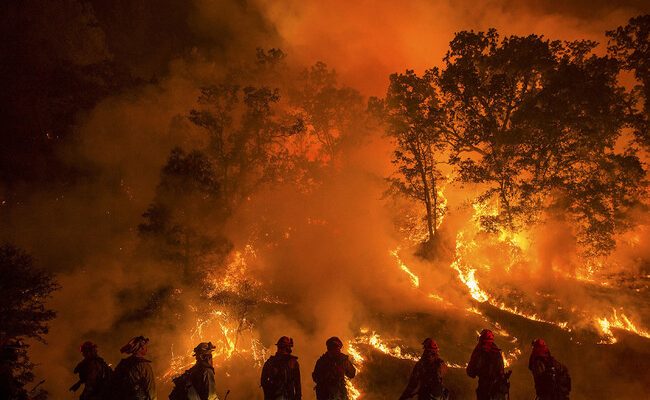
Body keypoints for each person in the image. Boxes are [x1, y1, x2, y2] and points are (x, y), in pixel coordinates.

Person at [466, 329, 509, 400]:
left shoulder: (480, 350)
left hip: (485, 389)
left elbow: (471, 371)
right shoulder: (496, 351)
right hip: (498, 390)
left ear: (481, 338)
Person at [112, 336, 156, 400]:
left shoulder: (123, 363)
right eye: (145, 346)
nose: (146, 348)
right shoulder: (144, 365)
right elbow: (151, 389)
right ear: (141, 348)